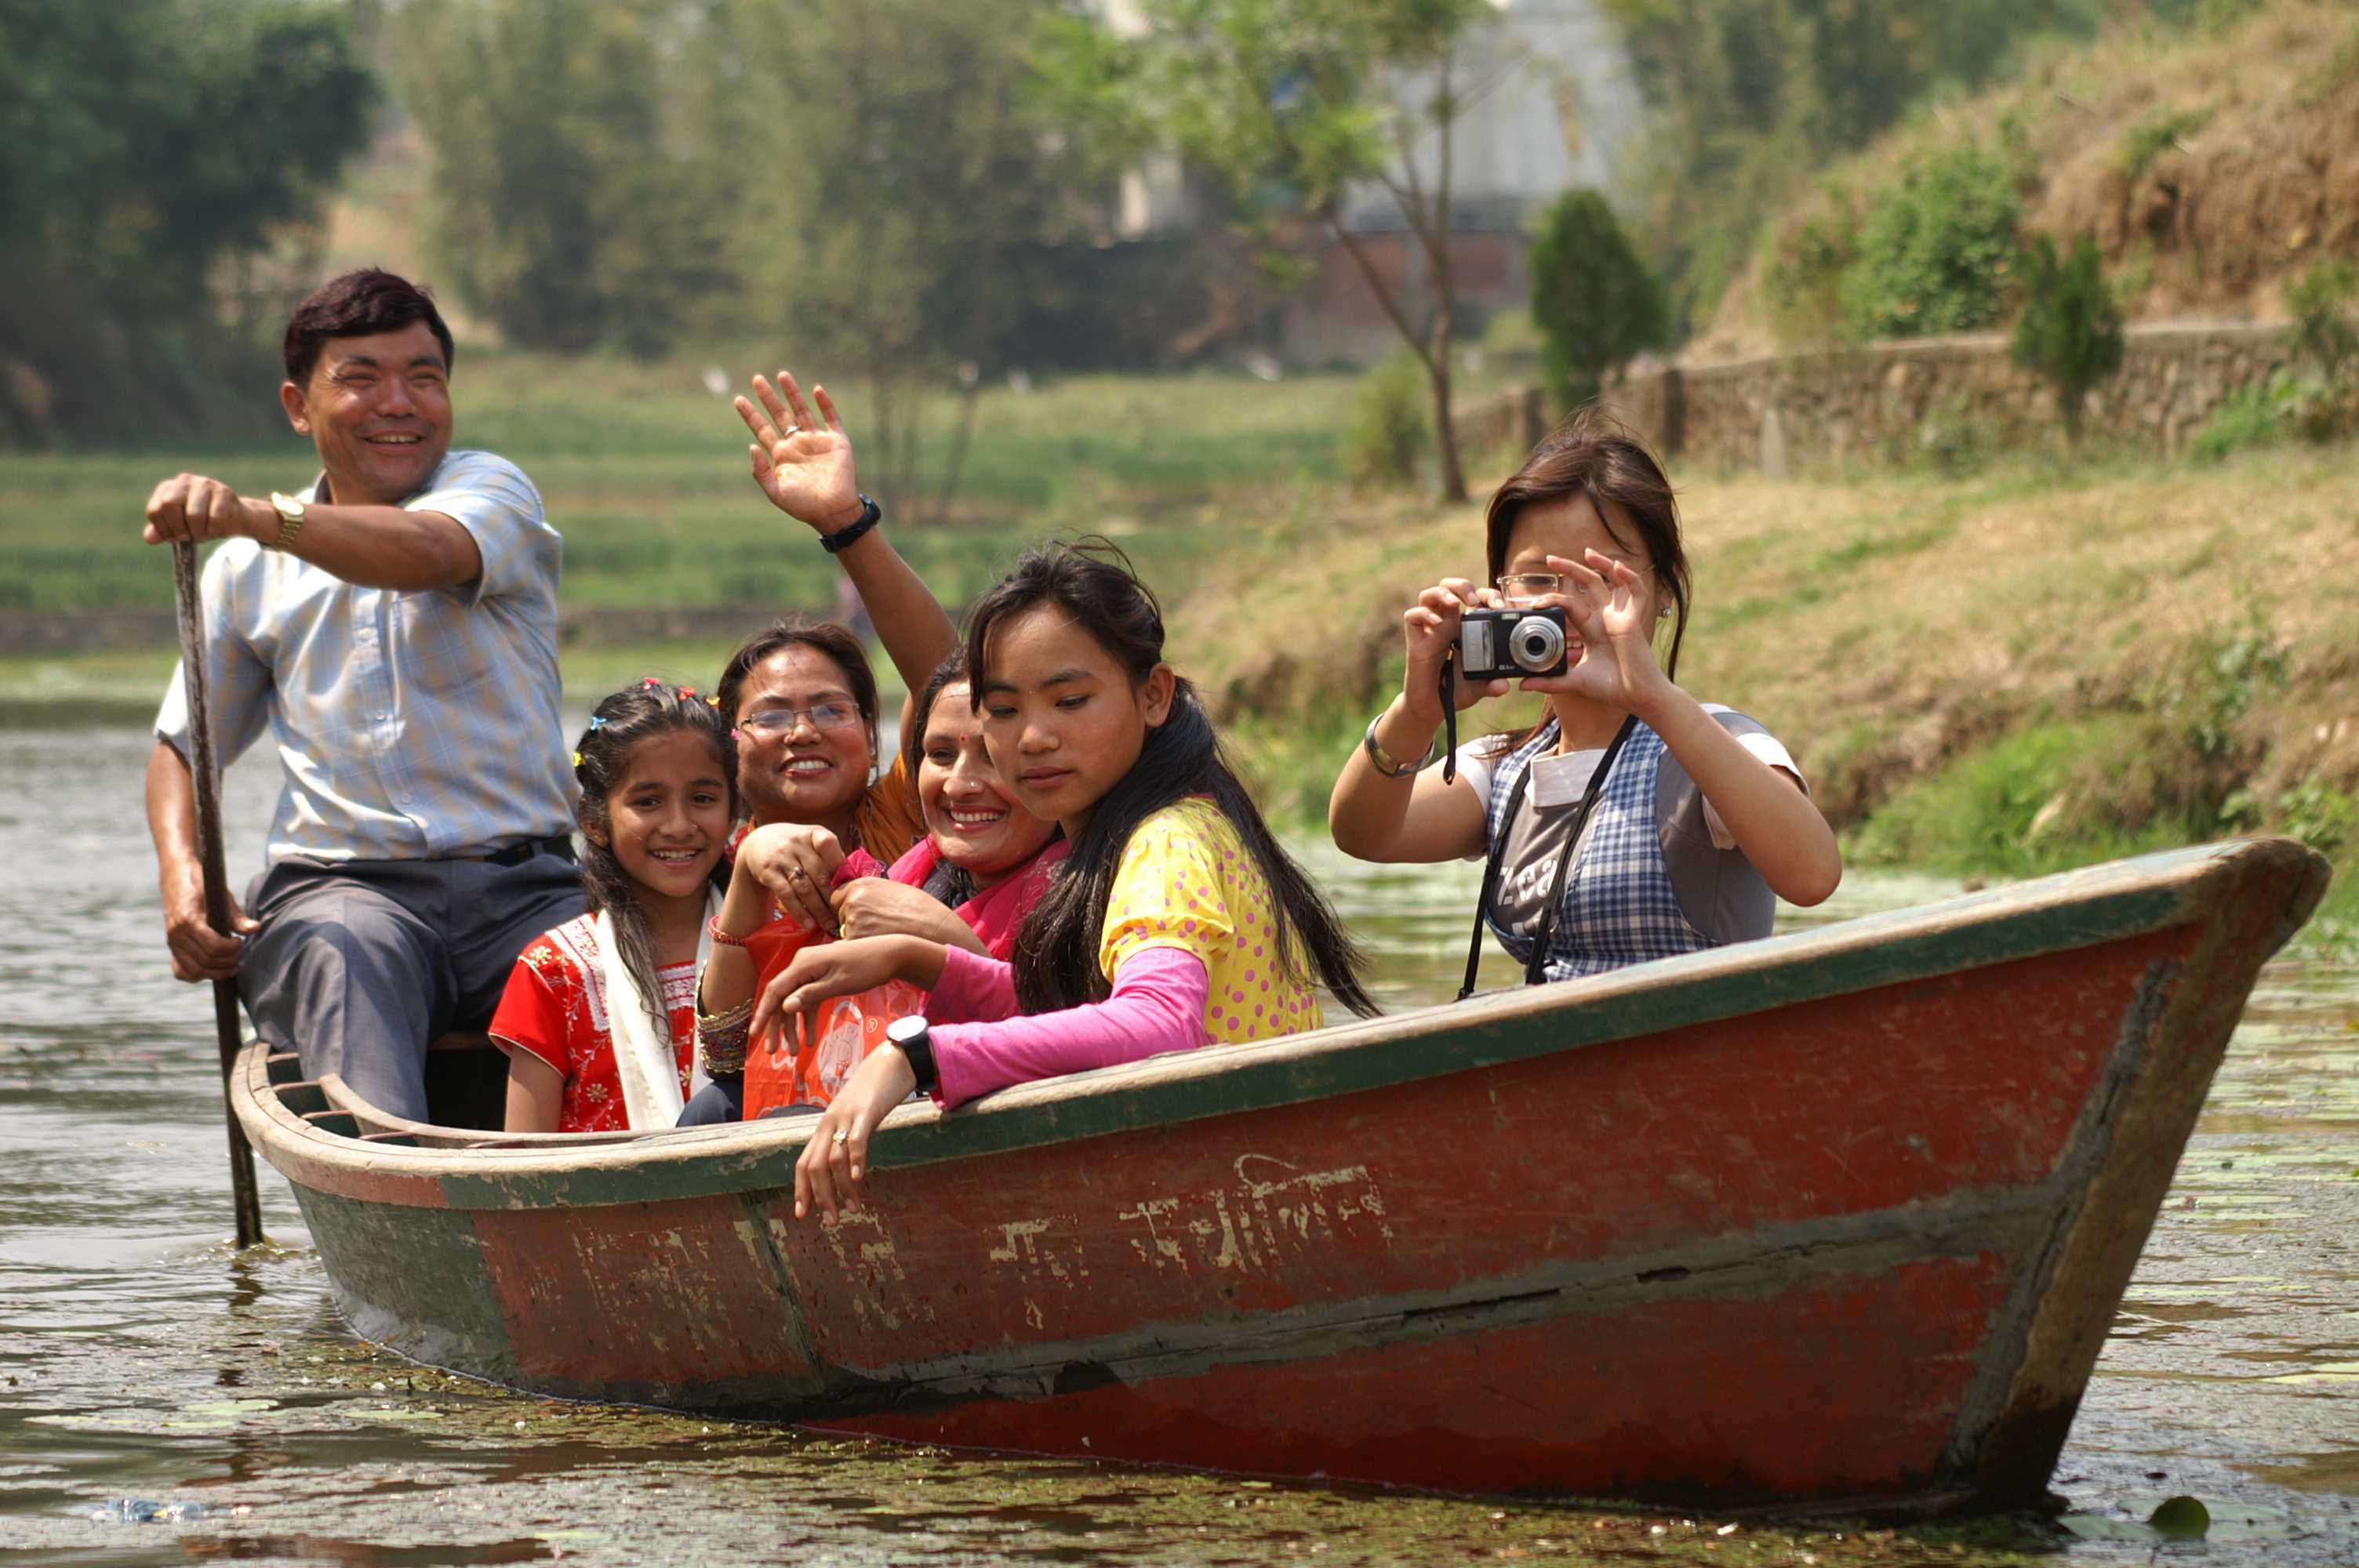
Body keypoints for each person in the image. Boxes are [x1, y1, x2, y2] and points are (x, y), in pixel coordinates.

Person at [751, 542, 1379, 1219]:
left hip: (1230, 1188)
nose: (1034, 738)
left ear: (1153, 695)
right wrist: (920, 959)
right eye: (1004, 710)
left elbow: (1159, 1023)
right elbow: (1070, 1010)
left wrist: (918, 1057)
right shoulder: (1147, 830)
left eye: (1070, 701)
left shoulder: (1166, 841)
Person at [142, 268, 581, 1123]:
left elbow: (426, 552)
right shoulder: (244, 572)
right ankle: (387, 1176)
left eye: (424, 377)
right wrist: (183, 875)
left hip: (528, 887)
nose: (399, 403)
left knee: (611, 966)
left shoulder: (491, 491)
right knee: (348, 952)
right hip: (343, 889)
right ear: (298, 406)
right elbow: (184, 749)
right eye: (362, 378)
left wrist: (258, 518)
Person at [1328, 416, 1841, 989]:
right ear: (1498, 594)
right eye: (1537, 580)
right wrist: (1418, 711)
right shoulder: (1505, 771)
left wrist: (1653, 697)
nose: (1567, 604)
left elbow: (1813, 876)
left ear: (1664, 587)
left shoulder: (1714, 742)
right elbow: (1363, 834)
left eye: (1599, 576)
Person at [679, 650, 1065, 1126]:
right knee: (715, 1110)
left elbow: (1083, 1045)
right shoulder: (888, 881)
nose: (960, 785)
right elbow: (731, 1055)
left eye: (992, 755)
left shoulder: (1090, 892)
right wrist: (747, 869)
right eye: (941, 755)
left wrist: (935, 941)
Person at [716, 372, 958, 865]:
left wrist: (844, 521)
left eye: (831, 710)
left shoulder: (910, 815)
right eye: (772, 716)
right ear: (727, 746)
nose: (804, 733)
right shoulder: (703, 866)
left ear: (870, 737)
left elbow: (946, 681)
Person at [491, 684, 735, 1134]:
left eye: (702, 799)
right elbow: (525, 1156)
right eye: (648, 802)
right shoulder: (554, 971)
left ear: (734, 812)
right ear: (594, 821)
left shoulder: (771, 943)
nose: (679, 826)